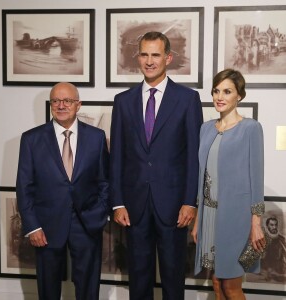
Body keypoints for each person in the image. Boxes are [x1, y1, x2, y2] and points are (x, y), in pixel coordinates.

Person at [109, 31, 203, 300]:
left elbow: (194, 156)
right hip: (134, 205)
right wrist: (117, 203)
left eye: (156, 55)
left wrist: (190, 201)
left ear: (168, 58)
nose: (149, 61)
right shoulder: (123, 101)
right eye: (144, 54)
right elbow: (117, 156)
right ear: (138, 56)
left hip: (174, 206)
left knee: (173, 279)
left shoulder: (187, 99)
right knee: (138, 278)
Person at [16, 82, 109, 300]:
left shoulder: (96, 137)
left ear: (78, 105)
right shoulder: (31, 139)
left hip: (87, 223)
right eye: (56, 101)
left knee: (88, 287)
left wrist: (101, 212)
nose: (61, 105)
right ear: (51, 105)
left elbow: (105, 180)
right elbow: (24, 186)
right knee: (48, 288)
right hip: (46, 226)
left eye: (67, 100)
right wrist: (33, 226)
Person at [192, 69, 266, 300]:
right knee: (216, 282)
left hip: (236, 218)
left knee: (231, 286)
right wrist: (197, 222)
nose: (219, 97)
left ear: (239, 96)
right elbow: (201, 177)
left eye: (227, 91)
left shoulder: (250, 128)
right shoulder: (206, 129)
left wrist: (256, 223)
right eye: (216, 91)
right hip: (209, 217)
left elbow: (257, 177)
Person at [262, 216, 286, 282]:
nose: (274, 227)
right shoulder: (261, 239)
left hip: (280, 272)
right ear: (267, 226)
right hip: (265, 273)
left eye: (275, 225)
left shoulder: (282, 239)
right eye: (272, 225)